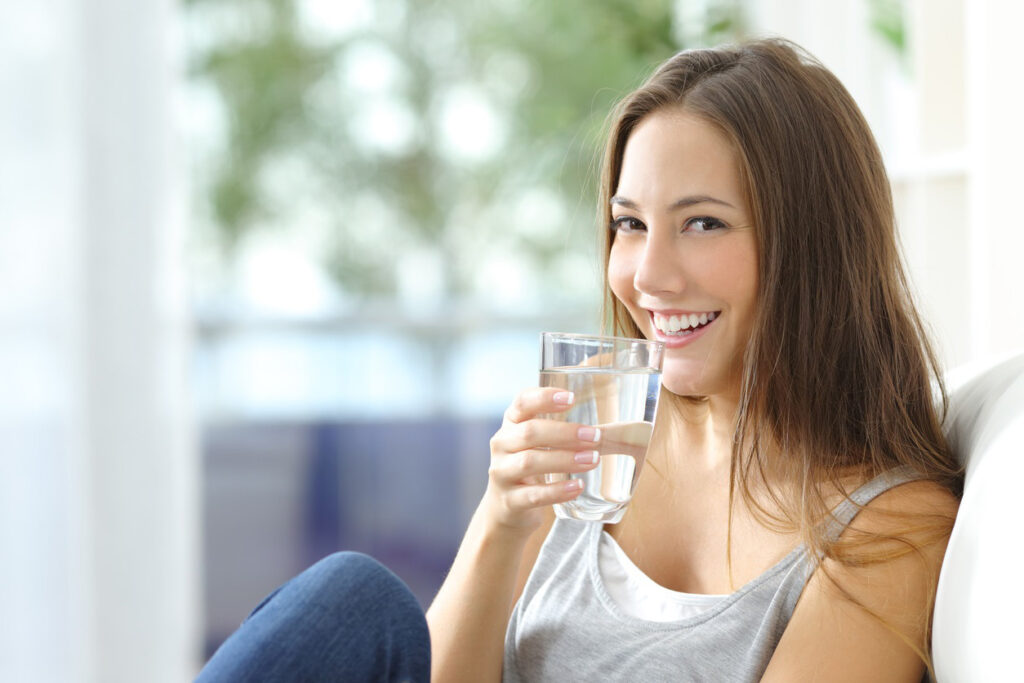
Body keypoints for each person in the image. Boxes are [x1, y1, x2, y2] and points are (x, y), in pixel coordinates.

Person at [197, 38, 961, 682]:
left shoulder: (890, 526)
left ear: (814, 248)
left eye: (702, 223)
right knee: (352, 600)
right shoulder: (602, 430)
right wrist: (502, 519)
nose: (649, 275)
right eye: (629, 224)